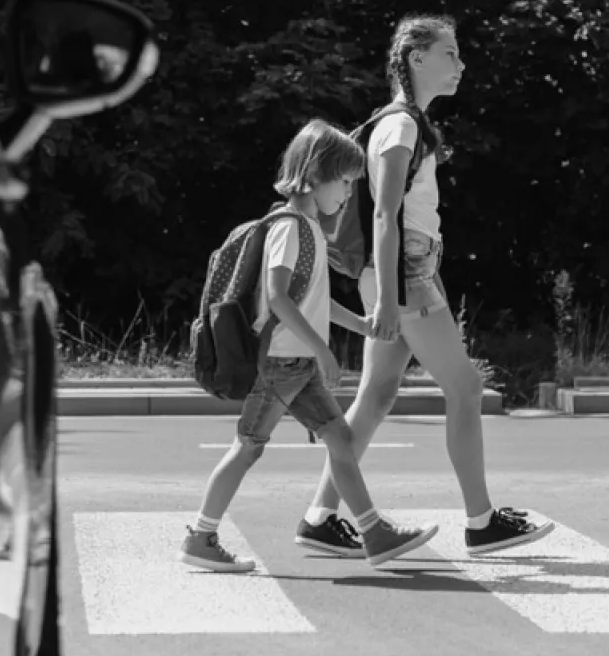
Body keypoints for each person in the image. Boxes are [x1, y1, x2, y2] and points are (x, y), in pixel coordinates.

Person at [294, 15, 557, 558]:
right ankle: (482, 521)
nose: (460, 64)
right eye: (450, 53)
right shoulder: (402, 126)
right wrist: (390, 298)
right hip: (405, 273)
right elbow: (386, 215)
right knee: (463, 389)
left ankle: (319, 517)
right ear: (416, 58)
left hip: (403, 270)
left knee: (377, 394)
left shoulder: (404, 124)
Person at [179, 119, 440, 572]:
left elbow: (313, 299)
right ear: (314, 176)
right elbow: (279, 297)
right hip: (280, 365)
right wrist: (322, 351)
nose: (347, 193)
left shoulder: (311, 229)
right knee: (248, 448)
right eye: (344, 182)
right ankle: (201, 537)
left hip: (295, 365)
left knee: (340, 438)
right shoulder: (290, 227)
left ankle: (373, 533)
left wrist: (359, 324)